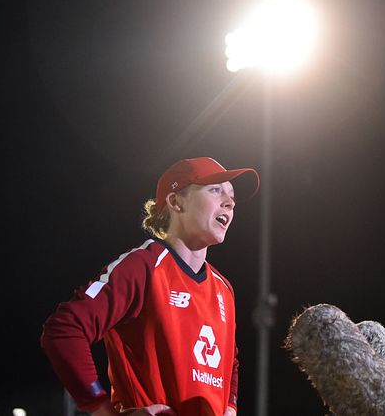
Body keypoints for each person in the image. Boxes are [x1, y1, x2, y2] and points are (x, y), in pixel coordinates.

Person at [41, 157, 259, 416]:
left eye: (231, 196)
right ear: (176, 201)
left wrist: (230, 407)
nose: (230, 202)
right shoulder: (144, 266)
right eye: (215, 190)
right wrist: (100, 409)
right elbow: (64, 329)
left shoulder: (224, 289)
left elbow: (229, 362)